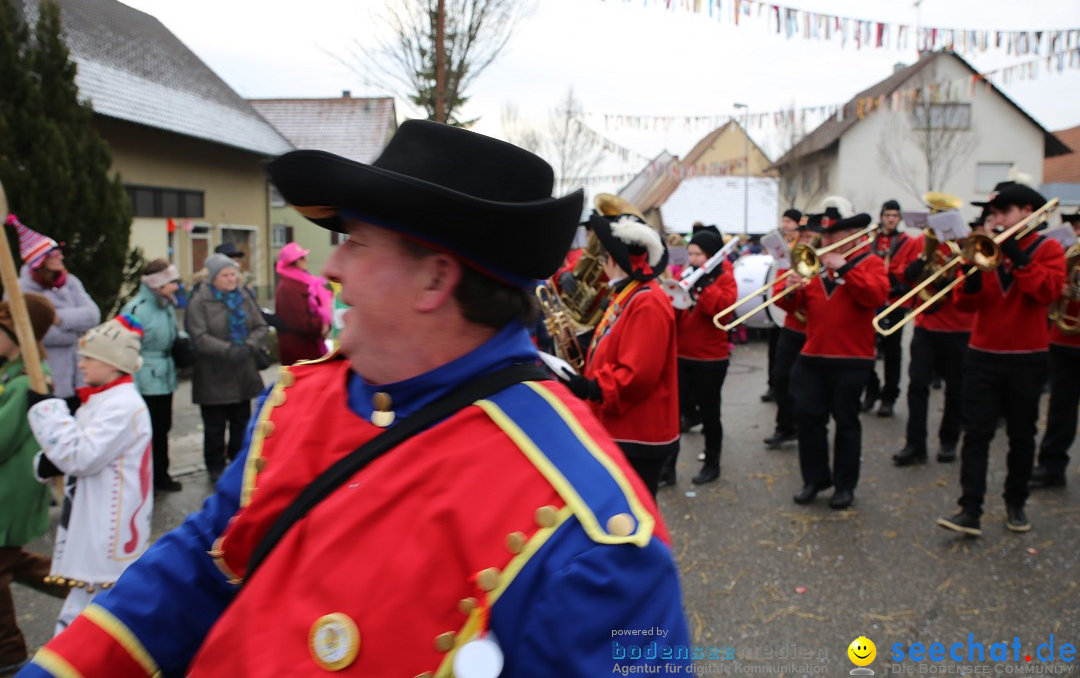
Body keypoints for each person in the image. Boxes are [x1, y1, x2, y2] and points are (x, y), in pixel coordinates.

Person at [16, 120, 689, 677]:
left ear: (434, 278)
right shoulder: (297, 404)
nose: (332, 268)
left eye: (356, 243)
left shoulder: (597, 539)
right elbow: (199, 563)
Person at [938, 183, 1066, 536]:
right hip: (982, 355)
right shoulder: (985, 250)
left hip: (1027, 357)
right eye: (992, 214)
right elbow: (964, 304)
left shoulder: (1049, 248)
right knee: (976, 434)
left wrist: (1016, 255)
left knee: (1022, 436)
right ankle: (970, 509)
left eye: (1002, 213)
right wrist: (974, 274)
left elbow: (1047, 292)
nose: (994, 220)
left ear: (1027, 212)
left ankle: (1015, 502)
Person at [26, 315, 153, 635]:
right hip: (93, 520)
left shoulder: (122, 405)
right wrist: (49, 462)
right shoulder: (104, 399)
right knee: (85, 612)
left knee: (96, 616)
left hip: (108, 530)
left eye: (88, 358)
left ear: (112, 364)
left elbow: (81, 456)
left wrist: (48, 412)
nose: (80, 364)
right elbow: (79, 452)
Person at [775, 212, 889, 509]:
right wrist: (790, 287)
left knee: (846, 423)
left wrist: (847, 267)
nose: (825, 242)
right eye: (823, 237)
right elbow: (788, 306)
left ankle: (845, 485)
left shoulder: (871, 263)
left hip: (852, 359)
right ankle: (815, 479)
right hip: (812, 356)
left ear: (853, 235)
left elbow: (875, 296)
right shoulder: (813, 266)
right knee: (808, 419)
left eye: (832, 236)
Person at [564, 212, 679, 498]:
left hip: (636, 430)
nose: (601, 264)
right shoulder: (629, 293)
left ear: (613, 260)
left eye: (602, 258)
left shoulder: (647, 301)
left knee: (632, 513)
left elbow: (637, 375)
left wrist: (591, 387)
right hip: (621, 425)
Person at [0, 295, 65, 676]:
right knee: (16, 563)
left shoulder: (27, 381)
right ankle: (87, 588)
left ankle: (9, 652)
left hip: (12, 494)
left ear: (15, 334)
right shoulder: (11, 374)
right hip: (7, 491)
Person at [887, 196, 975, 466]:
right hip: (925, 323)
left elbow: (973, 281)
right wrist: (912, 270)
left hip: (958, 325)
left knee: (956, 388)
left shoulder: (966, 243)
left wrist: (950, 275)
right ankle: (915, 444)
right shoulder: (918, 242)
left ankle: (949, 440)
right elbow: (900, 272)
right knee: (917, 385)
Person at [186, 254, 269, 482]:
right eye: (226, 275)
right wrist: (228, 350)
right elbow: (199, 336)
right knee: (214, 426)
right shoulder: (199, 302)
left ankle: (238, 463)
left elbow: (261, 326)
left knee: (241, 422)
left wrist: (249, 346)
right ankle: (215, 468)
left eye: (233, 274)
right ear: (213, 278)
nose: (232, 278)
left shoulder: (243, 297)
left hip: (243, 372)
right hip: (213, 374)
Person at [9, 216, 101, 413]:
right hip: (48, 374)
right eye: (53, 254)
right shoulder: (19, 289)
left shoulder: (71, 282)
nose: (60, 257)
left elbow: (93, 315)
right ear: (39, 261)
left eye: (59, 252)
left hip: (79, 376)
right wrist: (75, 331)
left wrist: (58, 318)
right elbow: (33, 331)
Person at [673, 230, 737, 485]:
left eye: (698, 254)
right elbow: (674, 312)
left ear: (710, 256)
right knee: (675, 413)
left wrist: (703, 287)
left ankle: (712, 463)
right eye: (690, 253)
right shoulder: (685, 274)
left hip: (711, 358)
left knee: (710, 413)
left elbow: (722, 311)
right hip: (682, 354)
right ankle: (668, 467)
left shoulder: (724, 279)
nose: (693, 258)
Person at [122, 260, 185, 492]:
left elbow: (169, 334)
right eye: (171, 282)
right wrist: (133, 387)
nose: (176, 286)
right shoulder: (136, 309)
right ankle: (143, 480)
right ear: (157, 285)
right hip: (144, 380)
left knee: (163, 428)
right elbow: (127, 350)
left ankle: (161, 475)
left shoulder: (167, 304)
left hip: (165, 376)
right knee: (145, 432)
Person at [1028, 209, 1080, 489]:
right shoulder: (1067, 254)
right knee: (1061, 407)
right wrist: (1062, 290)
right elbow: (1049, 291)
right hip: (1065, 338)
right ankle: (1051, 466)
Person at [763, 212, 824, 449]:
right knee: (781, 377)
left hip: (817, 329)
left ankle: (810, 427)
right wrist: (788, 289)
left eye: (810, 234)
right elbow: (778, 295)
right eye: (803, 233)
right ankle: (786, 427)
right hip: (793, 327)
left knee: (812, 385)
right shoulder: (793, 256)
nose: (806, 238)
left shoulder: (828, 255)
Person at [862, 200, 910, 417]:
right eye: (888, 215)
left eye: (895, 215)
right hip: (872, 301)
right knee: (865, 350)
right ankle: (871, 390)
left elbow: (909, 270)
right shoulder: (870, 239)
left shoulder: (907, 242)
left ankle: (889, 396)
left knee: (892, 352)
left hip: (894, 301)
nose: (891, 219)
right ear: (881, 216)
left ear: (899, 219)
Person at [762, 208, 803, 404]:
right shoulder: (781, 242)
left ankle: (787, 391)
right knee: (774, 349)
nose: (785, 224)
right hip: (777, 298)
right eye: (783, 220)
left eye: (789, 221)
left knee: (786, 355)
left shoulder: (801, 244)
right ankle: (773, 385)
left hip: (792, 300)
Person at [274, 242, 332, 365]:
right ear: (292, 262)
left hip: (310, 344)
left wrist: (326, 323)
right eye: (301, 257)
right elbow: (299, 321)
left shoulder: (303, 280)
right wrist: (320, 327)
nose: (306, 260)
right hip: (299, 349)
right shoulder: (287, 287)